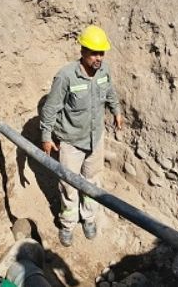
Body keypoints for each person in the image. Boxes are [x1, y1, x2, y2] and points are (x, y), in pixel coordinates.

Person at [39, 25, 124, 247]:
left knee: (93, 182)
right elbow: (51, 108)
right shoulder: (66, 76)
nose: (99, 58)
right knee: (68, 185)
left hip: (95, 140)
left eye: (101, 53)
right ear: (83, 51)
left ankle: (88, 218)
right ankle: (67, 223)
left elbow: (111, 93)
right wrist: (46, 136)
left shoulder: (104, 72)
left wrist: (117, 111)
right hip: (71, 143)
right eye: (94, 53)